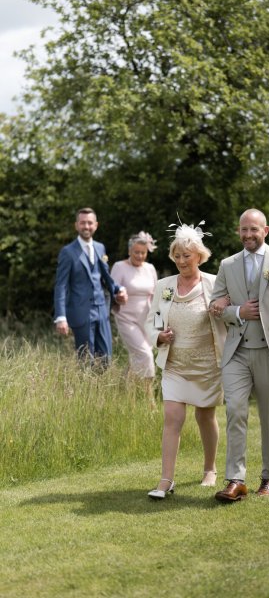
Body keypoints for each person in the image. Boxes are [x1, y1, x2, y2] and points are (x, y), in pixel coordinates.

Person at [210, 208, 269, 502]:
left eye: (254, 229)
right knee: (235, 411)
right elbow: (215, 306)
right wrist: (238, 311)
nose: (248, 235)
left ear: (265, 230)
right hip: (237, 352)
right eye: (243, 229)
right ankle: (235, 480)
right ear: (238, 231)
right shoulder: (227, 264)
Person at [145, 219, 228, 499]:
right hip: (175, 365)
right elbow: (152, 321)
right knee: (172, 417)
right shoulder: (164, 286)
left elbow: (228, 317)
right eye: (177, 256)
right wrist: (159, 337)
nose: (181, 260)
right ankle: (166, 480)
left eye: (187, 256)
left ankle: (210, 469)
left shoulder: (214, 283)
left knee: (205, 416)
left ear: (199, 256)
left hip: (207, 364)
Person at [54, 207, 128, 365]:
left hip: (102, 310)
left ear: (96, 225)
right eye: (82, 223)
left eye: (89, 223)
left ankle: (99, 388)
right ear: (76, 225)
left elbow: (105, 276)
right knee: (86, 360)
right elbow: (61, 286)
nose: (86, 226)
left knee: (106, 359)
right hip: (81, 312)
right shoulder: (68, 252)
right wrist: (61, 317)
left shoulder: (100, 248)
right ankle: (85, 388)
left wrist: (118, 289)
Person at [111, 232, 158, 380]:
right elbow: (112, 291)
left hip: (146, 319)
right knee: (145, 354)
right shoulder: (119, 267)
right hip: (126, 318)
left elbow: (158, 293)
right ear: (129, 251)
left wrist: (160, 320)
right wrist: (118, 297)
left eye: (143, 253)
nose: (139, 256)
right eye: (136, 252)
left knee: (139, 356)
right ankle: (149, 398)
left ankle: (124, 387)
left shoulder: (150, 268)